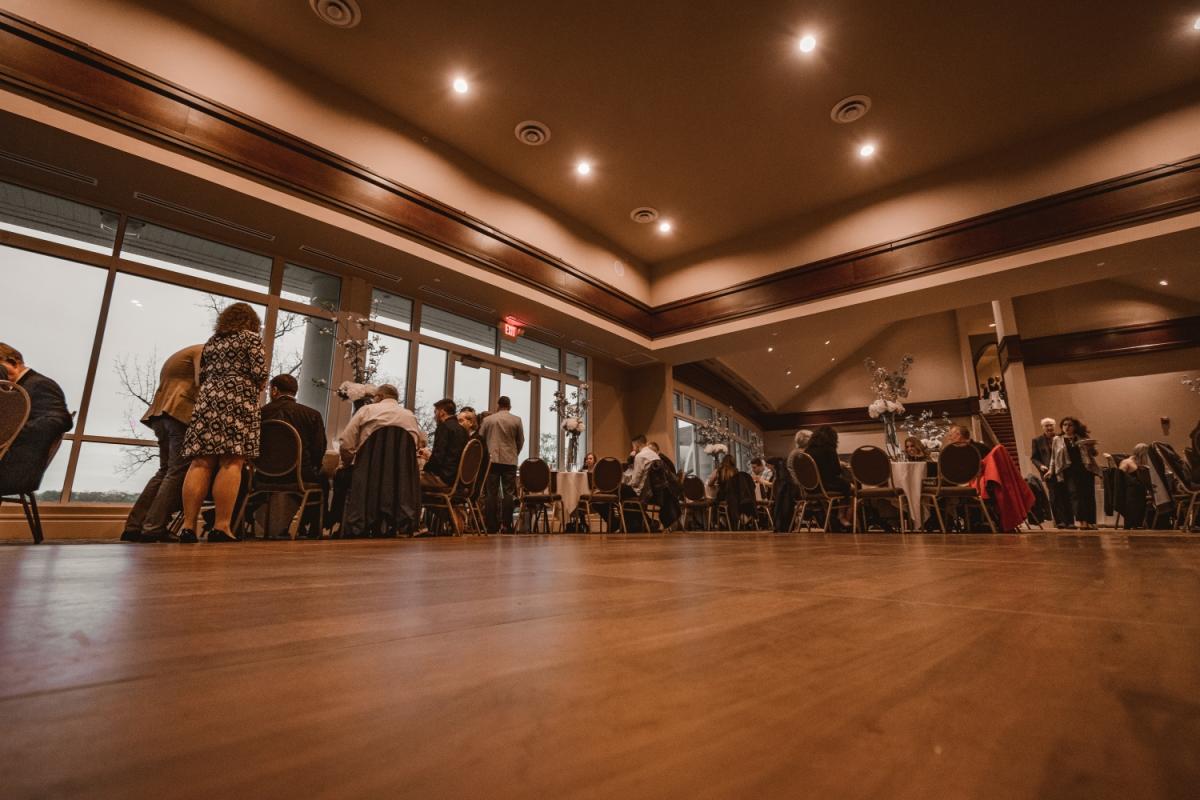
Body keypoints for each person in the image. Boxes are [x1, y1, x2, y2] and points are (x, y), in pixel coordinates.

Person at [179, 303, 269, 543]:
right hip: (237, 399)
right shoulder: (251, 339)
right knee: (232, 461)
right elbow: (260, 374)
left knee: (200, 461)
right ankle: (221, 526)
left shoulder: (212, 341)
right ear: (252, 322)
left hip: (208, 400)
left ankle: (188, 527)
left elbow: (202, 376)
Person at [121, 344, 202, 543]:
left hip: (161, 412)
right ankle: (154, 527)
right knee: (177, 471)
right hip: (180, 411)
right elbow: (202, 380)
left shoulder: (184, 353)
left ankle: (134, 526)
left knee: (165, 471)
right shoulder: (204, 350)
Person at [254, 373, 328, 539]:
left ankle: (245, 523)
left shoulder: (259, 414)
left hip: (263, 475)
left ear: (274, 390)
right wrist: (313, 467)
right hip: (298, 474)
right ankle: (311, 528)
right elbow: (319, 449)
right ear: (295, 391)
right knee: (322, 479)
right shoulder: (312, 414)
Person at [0, 343, 73, 499]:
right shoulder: (14, 389)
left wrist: (10, 434)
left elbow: (60, 420)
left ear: (14, 362)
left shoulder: (39, 384)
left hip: (17, 469)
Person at [479, 395, 524, 533]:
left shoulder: (488, 420)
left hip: (491, 460)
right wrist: (514, 453)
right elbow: (520, 440)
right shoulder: (516, 420)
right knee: (508, 493)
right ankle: (506, 526)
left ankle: (491, 526)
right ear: (509, 406)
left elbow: (481, 439)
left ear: (498, 405)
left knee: (491, 493)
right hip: (509, 460)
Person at [1049, 416, 1100, 530]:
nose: (1067, 427)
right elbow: (1053, 456)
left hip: (1085, 469)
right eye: (1065, 425)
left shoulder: (1082, 438)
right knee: (1076, 494)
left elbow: (1094, 454)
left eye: (1070, 425)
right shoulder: (1057, 439)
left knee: (1088, 495)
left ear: (1075, 427)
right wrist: (1050, 470)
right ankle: (1082, 521)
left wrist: (1090, 447)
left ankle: (1091, 521)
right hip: (1069, 471)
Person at [806, 425, 851, 529]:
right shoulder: (829, 449)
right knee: (847, 486)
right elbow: (836, 471)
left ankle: (834, 520)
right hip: (826, 486)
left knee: (843, 484)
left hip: (810, 488)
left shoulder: (807, 451)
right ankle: (842, 516)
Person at [421, 398, 468, 491]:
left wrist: (424, 468)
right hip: (458, 480)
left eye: (435, 412)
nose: (434, 416)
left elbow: (438, 458)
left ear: (442, 413)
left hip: (444, 478)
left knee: (409, 477)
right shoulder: (463, 430)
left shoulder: (444, 427)